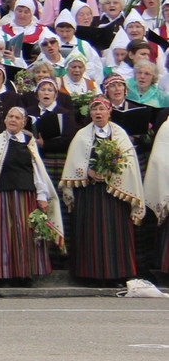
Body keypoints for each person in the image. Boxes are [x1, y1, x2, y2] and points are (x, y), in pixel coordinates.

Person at [60, 95, 144, 284]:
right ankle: (90, 275)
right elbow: (74, 162)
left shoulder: (120, 134)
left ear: (109, 111)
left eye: (101, 109)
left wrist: (112, 172)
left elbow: (129, 161)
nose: (98, 113)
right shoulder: (81, 135)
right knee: (90, 232)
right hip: (89, 193)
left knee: (115, 233)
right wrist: (86, 171)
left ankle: (117, 274)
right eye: (94, 109)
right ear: (90, 113)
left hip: (114, 193)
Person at [0, 107, 62, 285]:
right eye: (10, 117)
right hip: (2, 196)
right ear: (5, 120)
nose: (13, 120)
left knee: (25, 235)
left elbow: (38, 172)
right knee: (3, 236)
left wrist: (41, 196)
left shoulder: (29, 142)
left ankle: (24, 274)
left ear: (24, 122)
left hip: (26, 195)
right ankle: (4, 275)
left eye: (17, 118)